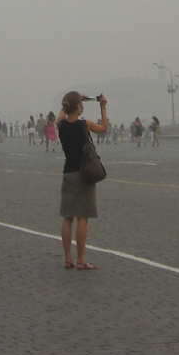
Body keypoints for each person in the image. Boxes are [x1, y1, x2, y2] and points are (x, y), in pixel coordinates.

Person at [57, 91, 109, 270]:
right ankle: (81, 259)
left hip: (68, 174)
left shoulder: (61, 125)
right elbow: (103, 128)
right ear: (79, 106)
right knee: (83, 218)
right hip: (84, 174)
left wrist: (72, 99)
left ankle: (67, 258)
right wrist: (102, 107)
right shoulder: (84, 125)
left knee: (67, 217)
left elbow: (61, 114)